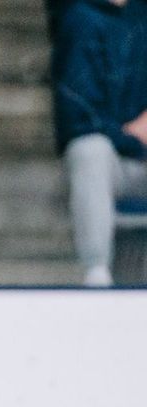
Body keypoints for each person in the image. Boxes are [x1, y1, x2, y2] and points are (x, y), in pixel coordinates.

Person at [52, 0, 147, 287]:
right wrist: (132, 137)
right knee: (90, 150)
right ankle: (97, 276)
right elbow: (78, 118)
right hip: (113, 163)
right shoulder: (79, 20)